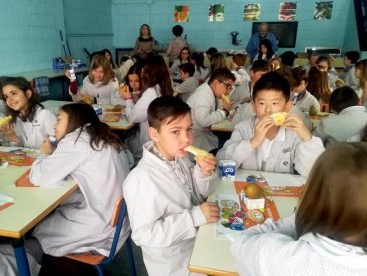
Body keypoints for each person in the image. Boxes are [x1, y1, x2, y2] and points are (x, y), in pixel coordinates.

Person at [231, 142, 367, 276]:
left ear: (313, 197)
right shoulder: (243, 129)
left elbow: (242, 242)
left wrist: (306, 215)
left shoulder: (282, 257)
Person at [123, 96, 219, 276]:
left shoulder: (179, 156)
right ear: (154, 134)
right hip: (176, 264)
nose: (187, 139)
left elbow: (196, 195)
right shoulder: (141, 180)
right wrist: (194, 218)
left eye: (189, 129)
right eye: (176, 131)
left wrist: (202, 173)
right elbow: (144, 234)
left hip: (198, 240)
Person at [30, 103, 130, 257]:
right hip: (120, 219)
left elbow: (39, 177)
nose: (54, 126)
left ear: (75, 120)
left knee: (39, 230)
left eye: (59, 120)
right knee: (57, 212)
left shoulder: (75, 141)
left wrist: (44, 153)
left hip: (100, 224)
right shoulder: (101, 135)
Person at [217, 71, 324, 177]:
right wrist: (252, 143)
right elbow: (221, 163)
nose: (268, 110)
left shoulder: (294, 134)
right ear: (253, 106)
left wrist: (307, 138)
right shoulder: (243, 129)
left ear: (287, 107)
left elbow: (313, 173)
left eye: (274, 103)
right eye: (262, 103)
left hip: (281, 192)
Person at [118, 54, 174, 160]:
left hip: (149, 141)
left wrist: (128, 99)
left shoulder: (151, 92)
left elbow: (133, 117)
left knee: (122, 144)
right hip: (160, 138)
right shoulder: (163, 87)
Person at [187, 68, 236, 153]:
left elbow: (214, 113)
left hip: (203, 134)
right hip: (195, 139)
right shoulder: (204, 94)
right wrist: (225, 111)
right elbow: (204, 120)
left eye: (230, 88)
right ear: (216, 83)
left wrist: (225, 110)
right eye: (227, 86)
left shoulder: (211, 92)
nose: (228, 91)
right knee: (228, 145)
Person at [0, 76, 56, 149]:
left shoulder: (45, 114)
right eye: (6, 96)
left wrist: (50, 144)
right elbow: (21, 149)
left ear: (28, 94)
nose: (10, 99)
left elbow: (58, 140)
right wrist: (12, 136)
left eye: (14, 93)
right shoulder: (15, 119)